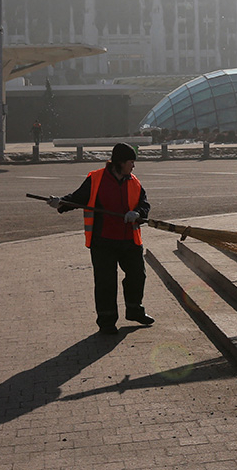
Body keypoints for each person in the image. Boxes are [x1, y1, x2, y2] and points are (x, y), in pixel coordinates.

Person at [48, 143, 153, 335]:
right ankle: (106, 321)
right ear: (120, 162)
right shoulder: (96, 179)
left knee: (138, 275)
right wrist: (60, 203)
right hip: (103, 241)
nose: (133, 166)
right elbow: (78, 198)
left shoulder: (134, 181)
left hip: (130, 240)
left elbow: (144, 204)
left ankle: (134, 310)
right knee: (106, 282)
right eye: (131, 162)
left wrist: (136, 212)